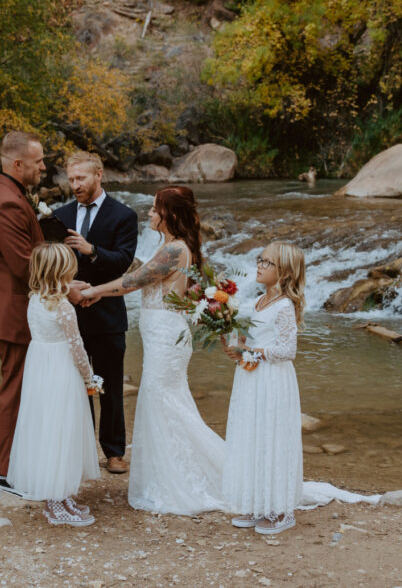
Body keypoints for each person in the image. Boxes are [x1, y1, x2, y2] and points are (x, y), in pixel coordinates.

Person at [80, 186, 225, 515]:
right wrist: (102, 255)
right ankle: (170, 473)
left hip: (166, 337)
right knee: (166, 405)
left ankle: (179, 479)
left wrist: (93, 290)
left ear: (169, 215)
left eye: (154, 209)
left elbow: (133, 282)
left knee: (162, 403)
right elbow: (143, 272)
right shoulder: (170, 248)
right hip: (163, 335)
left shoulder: (175, 249)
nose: (148, 213)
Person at [0, 131, 86, 495]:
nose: (43, 166)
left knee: (24, 387)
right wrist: (67, 288)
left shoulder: (10, 193)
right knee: (17, 390)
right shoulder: (6, 202)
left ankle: (21, 464)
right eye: (38, 161)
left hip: (17, 306)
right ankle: (6, 472)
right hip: (11, 310)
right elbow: (25, 264)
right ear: (17, 164)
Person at [54, 151, 138, 474]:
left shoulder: (123, 215)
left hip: (107, 313)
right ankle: (83, 448)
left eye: (81, 179)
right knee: (76, 385)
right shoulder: (60, 215)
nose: (75, 185)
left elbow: (123, 262)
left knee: (111, 386)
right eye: (71, 179)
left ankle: (114, 452)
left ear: (98, 175)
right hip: (69, 312)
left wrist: (91, 250)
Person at [8, 243, 103, 526]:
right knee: (61, 430)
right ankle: (53, 501)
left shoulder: (35, 298)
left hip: (40, 368)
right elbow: (77, 347)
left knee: (48, 428)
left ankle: (61, 496)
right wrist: (89, 377)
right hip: (61, 370)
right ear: (65, 271)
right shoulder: (63, 307)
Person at [221, 241, 306, 534]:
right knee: (253, 436)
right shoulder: (259, 300)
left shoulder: (284, 305)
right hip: (252, 377)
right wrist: (236, 345)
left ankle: (281, 510)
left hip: (273, 380)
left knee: (273, 438)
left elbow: (287, 350)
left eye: (267, 262)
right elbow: (252, 340)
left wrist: (251, 352)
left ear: (283, 272)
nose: (259, 265)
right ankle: (258, 504)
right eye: (260, 260)